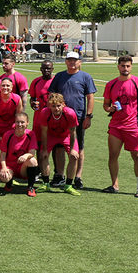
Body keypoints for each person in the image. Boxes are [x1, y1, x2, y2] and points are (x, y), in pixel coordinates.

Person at [102, 55, 138, 197]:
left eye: (128, 66)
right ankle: (114, 185)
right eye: (123, 66)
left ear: (131, 66)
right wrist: (108, 109)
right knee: (113, 156)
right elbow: (106, 104)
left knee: (137, 155)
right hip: (116, 126)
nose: (125, 69)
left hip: (133, 126)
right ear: (118, 66)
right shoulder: (110, 84)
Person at [49, 51, 95, 190]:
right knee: (59, 147)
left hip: (79, 118)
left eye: (74, 60)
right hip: (59, 118)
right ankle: (60, 175)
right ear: (65, 61)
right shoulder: (59, 76)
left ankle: (78, 177)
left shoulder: (85, 77)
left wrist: (88, 116)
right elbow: (52, 95)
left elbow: (90, 98)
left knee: (79, 148)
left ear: (79, 62)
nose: (72, 62)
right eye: (69, 60)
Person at [34, 93, 80, 195]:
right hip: (51, 135)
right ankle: (46, 183)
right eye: (53, 106)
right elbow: (44, 132)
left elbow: (73, 132)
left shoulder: (70, 113)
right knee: (43, 155)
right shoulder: (45, 113)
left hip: (66, 136)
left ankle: (68, 185)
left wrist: (72, 149)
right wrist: (45, 149)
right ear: (49, 105)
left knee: (74, 156)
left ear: (63, 104)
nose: (56, 109)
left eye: (58, 106)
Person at [0, 112, 40, 196]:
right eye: (17, 122)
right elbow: (2, 155)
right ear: (14, 123)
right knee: (4, 177)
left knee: (33, 161)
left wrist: (26, 155)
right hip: (10, 166)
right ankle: (8, 183)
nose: (20, 124)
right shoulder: (8, 135)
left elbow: (32, 153)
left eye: (22, 122)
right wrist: (4, 168)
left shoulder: (31, 134)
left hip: (22, 168)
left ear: (27, 123)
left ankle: (30, 187)